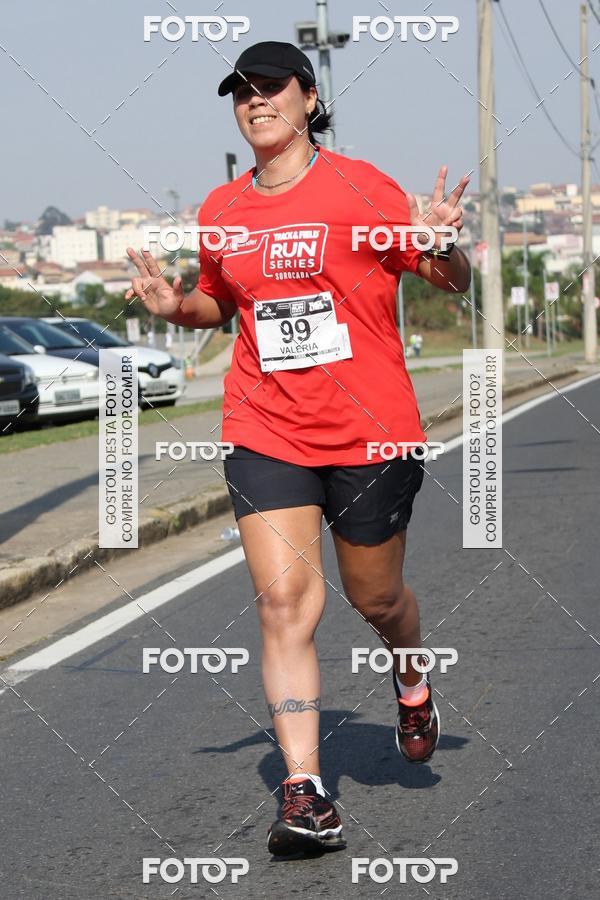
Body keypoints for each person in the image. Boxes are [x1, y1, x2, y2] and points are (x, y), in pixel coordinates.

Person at [125, 41, 470, 859]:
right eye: (240, 93)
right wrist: (178, 306)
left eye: (271, 87)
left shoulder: (362, 186)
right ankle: (307, 793)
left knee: (375, 598)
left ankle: (411, 674)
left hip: (368, 430)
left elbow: (447, 276)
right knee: (284, 606)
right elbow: (221, 304)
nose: (255, 101)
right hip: (264, 428)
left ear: (309, 99)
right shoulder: (222, 208)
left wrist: (444, 243)